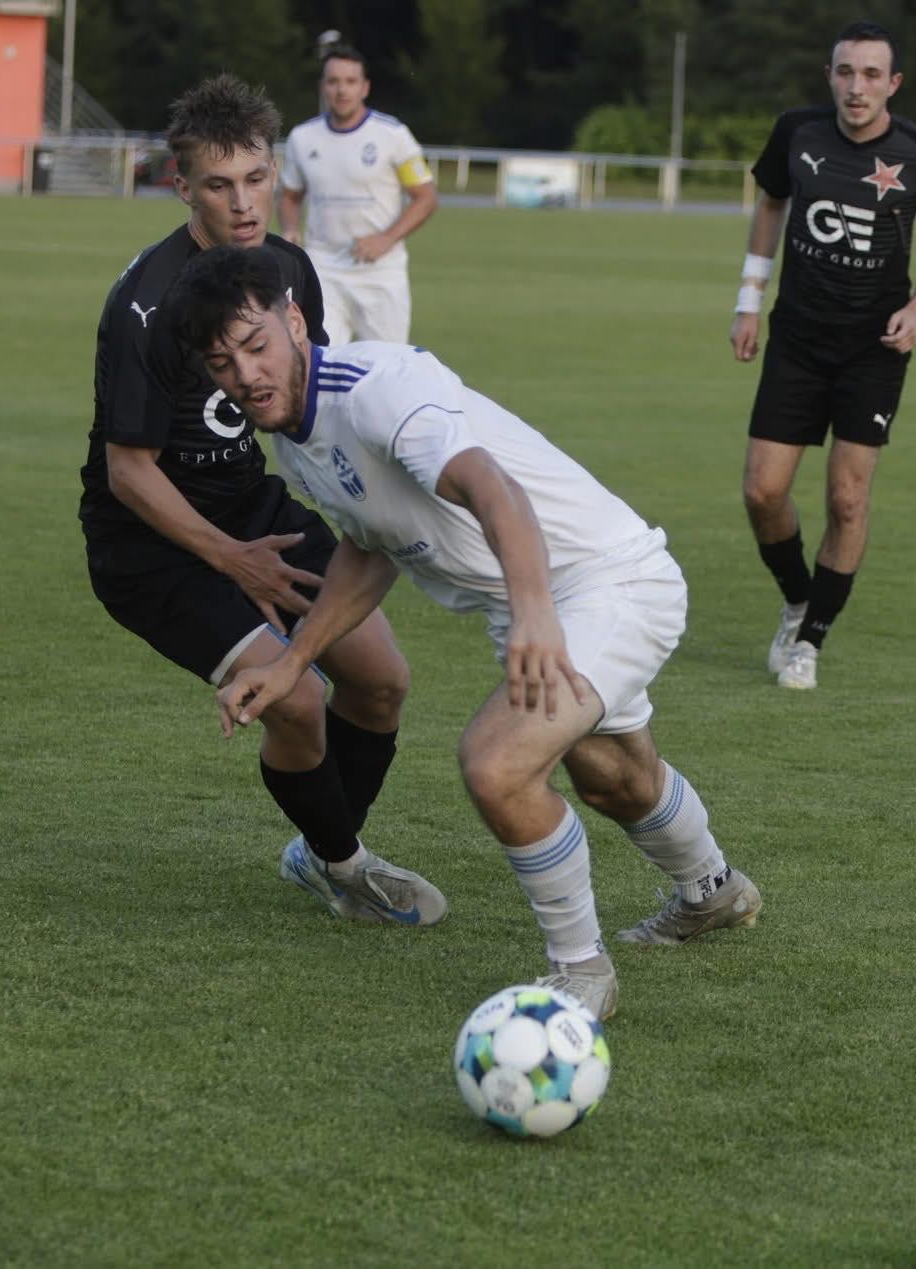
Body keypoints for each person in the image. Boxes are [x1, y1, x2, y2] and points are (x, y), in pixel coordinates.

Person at [185, 247, 762, 1021]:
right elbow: (371, 543)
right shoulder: (293, 439)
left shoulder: (377, 391)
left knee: (496, 763)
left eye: (256, 344)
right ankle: (714, 891)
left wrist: (532, 614)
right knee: (611, 777)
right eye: (223, 363)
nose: (247, 374)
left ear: (294, 321)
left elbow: (495, 490)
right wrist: (293, 664)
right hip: (544, 598)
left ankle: (581, 971)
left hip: (609, 583)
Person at [79, 74, 442, 928]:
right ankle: (348, 867)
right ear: (181, 185)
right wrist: (232, 560)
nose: (243, 203)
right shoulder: (143, 307)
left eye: (254, 178)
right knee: (299, 696)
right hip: (147, 540)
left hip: (251, 506)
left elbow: (307, 410)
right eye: (217, 183)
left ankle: (320, 847)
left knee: (382, 682)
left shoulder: (288, 272)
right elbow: (129, 471)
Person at [730, 20, 916, 691]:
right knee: (762, 490)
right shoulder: (796, 132)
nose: (855, 86)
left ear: (893, 83)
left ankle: (810, 639)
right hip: (798, 338)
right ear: (830, 75)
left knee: (846, 500)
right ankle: (799, 594)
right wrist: (748, 300)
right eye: (844, 71)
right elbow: (772, 201)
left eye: (870, 74)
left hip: (873, 349)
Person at [278, 45, 438, 345]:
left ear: (364, 88)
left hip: (379, 273)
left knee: (385, 369)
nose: (342, 90)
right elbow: (289, 195)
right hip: (323, 268)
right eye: (333, 81)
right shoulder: (302, 138)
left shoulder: (392, 135)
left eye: (350, 82)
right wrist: (289, 228)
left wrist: (386, 239)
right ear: (322, 87)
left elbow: (425, 196)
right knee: (320, 361)